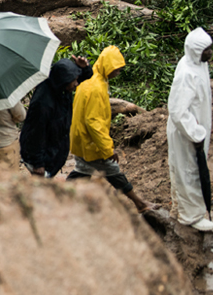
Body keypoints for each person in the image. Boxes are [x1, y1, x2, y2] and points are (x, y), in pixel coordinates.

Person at [66, 46, 156, 213]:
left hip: (81, 138)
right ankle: (140, 204)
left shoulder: (93, 80)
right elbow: (94, 122)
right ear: (107, 66)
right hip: (90, 142)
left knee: (82, 171)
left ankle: (60, 198)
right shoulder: (96, 87)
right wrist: (107, 148)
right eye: (116, 69)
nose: (118, 72)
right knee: (112, 171)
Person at [167, 28, 213, 231]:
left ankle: (179, 207)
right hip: (187, 132)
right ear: (196, 51)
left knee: (185, 169)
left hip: (195, 129)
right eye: (206, 50)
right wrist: (196, 133)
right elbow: (177, 111)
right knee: (190, 172)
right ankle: (191, 216)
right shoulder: (187, 73)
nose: (210, 53)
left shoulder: (198, 64)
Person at [20, 55, 92, 177]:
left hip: (54, 151)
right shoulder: (43, 102)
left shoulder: (61, 88)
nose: (76, 84)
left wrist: (84, 68)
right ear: (64, 80)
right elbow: (36, 134)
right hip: (42, 157)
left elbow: (83, 78)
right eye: (74, 80)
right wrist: (38, 163)